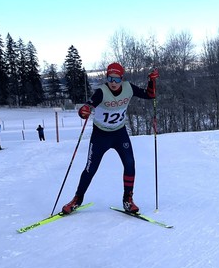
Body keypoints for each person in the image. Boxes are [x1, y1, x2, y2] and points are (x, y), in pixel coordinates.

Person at [62, 62, 159, 215]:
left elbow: (149, 95)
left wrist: (151, 81)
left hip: (119, 133)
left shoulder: (128, 88)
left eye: (117, 79)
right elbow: (87, 106)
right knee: (90, 168)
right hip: (100, 135)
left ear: (122, 78)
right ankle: (77, 199)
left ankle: (128, 200)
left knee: (130, 164)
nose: (113, 83)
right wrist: (84, 111)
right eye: (110, 79)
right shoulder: (101, 92)